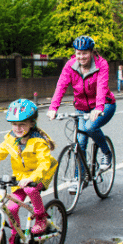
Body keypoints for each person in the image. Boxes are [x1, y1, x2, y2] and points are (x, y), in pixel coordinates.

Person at [0, 99, 57, 244]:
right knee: (10, 208)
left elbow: (44, 163)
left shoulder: (39, 142)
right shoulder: (10, 140)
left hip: (40, 175)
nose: (17, 129)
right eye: (14, 125)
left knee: (31, 189)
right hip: (20, 179)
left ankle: (41, 218)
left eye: (22, 124)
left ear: (32, 124)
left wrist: (32, 177)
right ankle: (14, 240)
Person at [47, 35, 116, 184]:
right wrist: (53, 107)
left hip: (105, 105)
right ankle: (80, 178)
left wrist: (98, 107)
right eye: (78, 53)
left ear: (91, 52)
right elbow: (61, 86)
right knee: (80, 142)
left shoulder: (101, 64)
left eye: (85, 53)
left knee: (91, 127)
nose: (81, 56)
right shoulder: (70, 65)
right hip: (82, 108)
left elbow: (101, 87)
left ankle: (106, 153)